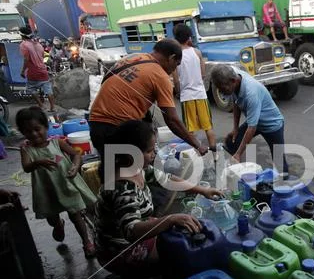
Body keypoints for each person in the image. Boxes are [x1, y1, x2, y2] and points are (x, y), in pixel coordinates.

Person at [95, 120, 220, 275]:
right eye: (149, 151)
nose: (153, 154)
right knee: (178, 251)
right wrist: (170, 219)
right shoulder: (122, 187)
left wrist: (202, 190)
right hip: (118, 250)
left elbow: (167, 179)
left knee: (178, 232)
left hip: (134, 232)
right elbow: (132, 231)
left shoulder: (137, 169)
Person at [89, 39, 208, 157]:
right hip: (119, 131)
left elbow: (109, 83)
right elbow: (172, 120)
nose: (173, 71)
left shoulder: (132, 58)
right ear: (171, 58)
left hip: (96, 126)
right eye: (176, 65)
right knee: (129, 172)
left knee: (112, 170)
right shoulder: (160, 76)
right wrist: (197, 144)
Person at [16, 107, 97, 258]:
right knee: (51, 218)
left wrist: (74, 167)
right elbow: (27, 168)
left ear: (46, 127)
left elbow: (76, 155)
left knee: (76, 215)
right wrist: (38, 162)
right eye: (28, 131)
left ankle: (87, 242)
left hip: (66, 184)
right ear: (23, 132)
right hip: (46, 190)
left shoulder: (57, 143)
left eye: (37, 129)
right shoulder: (26, 149)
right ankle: (58, 224)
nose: (34, 134)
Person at [211, 65, 289, 176]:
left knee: (280, 163)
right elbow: (236, 103)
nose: (222, 92)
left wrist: (238, 154)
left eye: (223, 89)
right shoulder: (233, 75)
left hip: (272, 124)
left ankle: (283, 187)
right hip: (255, 119)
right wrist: (235, 129)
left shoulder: (251, 93)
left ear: (233, 81)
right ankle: (235, 174)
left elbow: (252, 128)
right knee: (232, 141)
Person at [172, 24, 217, 155]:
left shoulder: (176, 56)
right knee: (208, 126)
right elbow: (203, 74)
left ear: (176, 38)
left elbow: (175, 79)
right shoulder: (197, 52)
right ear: (189, 38)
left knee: (189, 129)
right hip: (201, 94)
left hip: (187, 97)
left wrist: (178, 92)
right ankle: (214, 152)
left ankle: (193, 155)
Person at [19, 26, 56, 112]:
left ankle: (42, 106)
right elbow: (43, 56)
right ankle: (53, 107)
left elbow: (26, 59)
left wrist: (23, 71)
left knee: (31, 88)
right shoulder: (38, 44)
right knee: (48, 89)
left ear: (22, 36)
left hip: (33, 71)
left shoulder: (23, 45)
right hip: (43, 70)